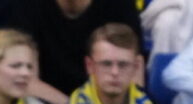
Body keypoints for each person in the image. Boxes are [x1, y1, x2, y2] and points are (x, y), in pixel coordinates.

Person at [8, 0, 141, 96]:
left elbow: (134, 69)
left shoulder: (119, 4)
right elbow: (27, 80)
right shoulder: (26, 5)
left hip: (107, 101)